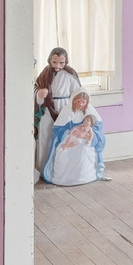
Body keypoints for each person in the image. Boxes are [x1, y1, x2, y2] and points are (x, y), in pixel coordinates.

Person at [33, 48, 83, 180]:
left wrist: (73, 109)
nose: (57, 66)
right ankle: (43, 167)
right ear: (50, 60)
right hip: (47, 108)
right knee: (45, 135)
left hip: (64, 107)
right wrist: (39, 94)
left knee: (63, 137)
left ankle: (62, 167)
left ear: (66, 62)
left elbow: (77, 93)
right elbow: (37, 87)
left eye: (61, 63)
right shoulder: (45, 73)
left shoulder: (70, 74)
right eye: (54, 62)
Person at [42, 90, 108, 187]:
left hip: (84, 138)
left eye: (83, 102)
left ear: (87, 103)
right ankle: (67, 177)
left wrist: (87, 133)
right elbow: (58, 129)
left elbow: (96, 126)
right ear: (73, 101)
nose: (80, 104)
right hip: (70, 136)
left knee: (84, 150)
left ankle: (84, 175)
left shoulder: (89, 114)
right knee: (66, 151)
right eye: (78, 101)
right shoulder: (67, 112)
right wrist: (70, 133)